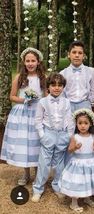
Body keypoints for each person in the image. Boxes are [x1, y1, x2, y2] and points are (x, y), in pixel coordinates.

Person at [0, 47, 46, 186]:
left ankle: (38, 173)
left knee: (36, 142)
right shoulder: (19, 77)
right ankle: (26, 173)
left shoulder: (43, 78)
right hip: (23, 114)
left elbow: (46, 96)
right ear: (24, 62)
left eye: (33, 61)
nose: (30, 63)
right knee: (25, 143)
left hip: (37, 113)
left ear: (38, 62)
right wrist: (25, 99)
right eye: (28, 61)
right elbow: (12, 96)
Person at [32, 73, 74, 202]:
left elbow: (69, 120)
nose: (56, 88)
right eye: (53, 85)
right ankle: (38, 189)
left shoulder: (66, 102)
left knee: (59, 164)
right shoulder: (42, 102)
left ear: (63, 87)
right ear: (48, 87)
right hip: (48, 134)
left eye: (60, 85)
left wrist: (69, 136)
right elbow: (38, 120)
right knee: (44, 163)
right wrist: (42, 136)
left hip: (62, 135)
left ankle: (57, 186)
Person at [59, 108, 94, 212]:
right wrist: (75, 147)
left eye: (85, 123)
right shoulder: (75, 137)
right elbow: (70, 150)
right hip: (78, 163)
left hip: (90, 162)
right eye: (80, 123)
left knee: (88, 181)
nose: (82, 125)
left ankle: (87, 198)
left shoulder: (92, 136)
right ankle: (74, 202)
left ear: (90, 124)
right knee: (77, 182)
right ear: (76, 124)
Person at [60, 40, 94, 112]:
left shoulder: (90, 72)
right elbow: (61, 93)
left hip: (85, 104)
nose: (77, 55)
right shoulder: (63, 73)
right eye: (74, 52)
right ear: (69, 54)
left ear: (83, 56)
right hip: (68, 105)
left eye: (80, 53)